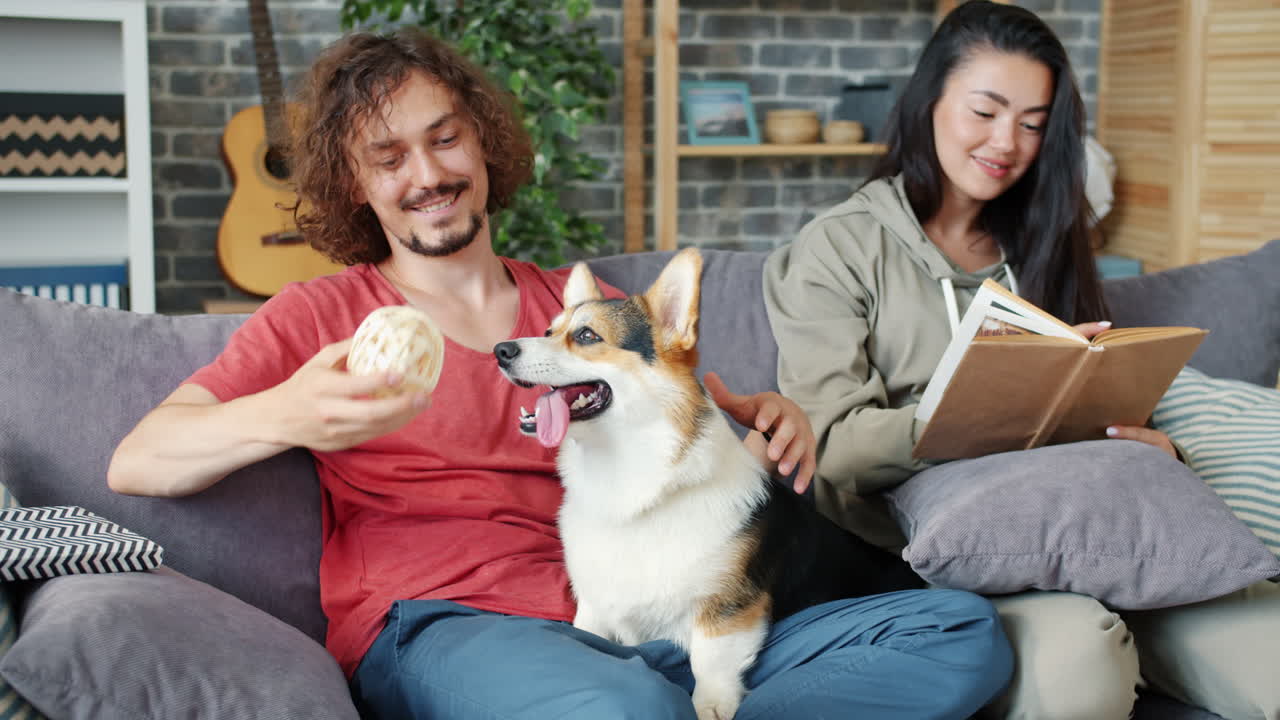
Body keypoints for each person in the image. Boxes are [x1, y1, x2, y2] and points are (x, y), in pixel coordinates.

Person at [108, 27, 1013, 720]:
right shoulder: (319, 318)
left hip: (635, 621)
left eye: (444, 138)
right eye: (388, 158)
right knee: (619, 712)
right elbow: (140, 460)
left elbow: (694, 427)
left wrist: (771, 418)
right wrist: (288, 411)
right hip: (451, 627)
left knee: (962, 635)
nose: (427, 175)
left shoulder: (584, 309)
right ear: (355, 184)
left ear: (483, 143)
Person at [762, 2, 1280, 719]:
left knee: (1266, 646)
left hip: (1085, 523)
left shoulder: (1044, 238)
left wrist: (1156, 449)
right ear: (929, 102)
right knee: (1081, 661)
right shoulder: (838, 248)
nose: (1007, 142)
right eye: (985, 110)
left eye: (1033, 124)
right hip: (931, 557)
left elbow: (1085, 399)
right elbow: (833, 449)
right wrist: (981, 416)